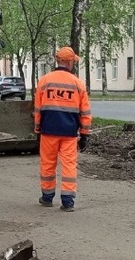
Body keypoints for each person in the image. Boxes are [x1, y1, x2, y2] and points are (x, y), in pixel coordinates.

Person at [33, 46, 92, 212]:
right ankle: (68, 201)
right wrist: (85, 134)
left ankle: (47, 197)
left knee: (47, 164)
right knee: (69, 165)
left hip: (48, 130)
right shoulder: (77, 84)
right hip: (69, 133)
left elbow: (38, 109)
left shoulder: (44, 81)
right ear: (69, 62)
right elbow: (85, 112)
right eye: (73, 61)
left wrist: (37, 129)